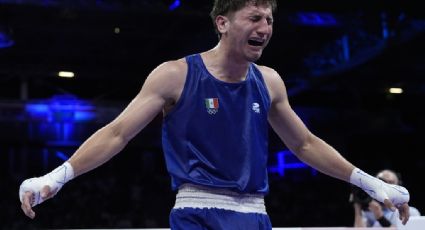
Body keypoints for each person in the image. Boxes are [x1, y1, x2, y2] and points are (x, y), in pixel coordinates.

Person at [19, 0, 412, 229]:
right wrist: (57, 177)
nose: (265, 27)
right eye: (254, 17)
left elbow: (305, 143)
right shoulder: (175, 74)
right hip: (198, 210)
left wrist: (372, 185)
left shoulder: (270, 81)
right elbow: (119, 133)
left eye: (269, 20)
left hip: (257, 213)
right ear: (222, 23)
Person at [352, 169, 420, 228]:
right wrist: (358, 205)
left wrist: (381, 219)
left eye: (391, 183)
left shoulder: (411, 212)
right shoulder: (368, 211)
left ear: (399, 186)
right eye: (382, 182)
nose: (385, 186)